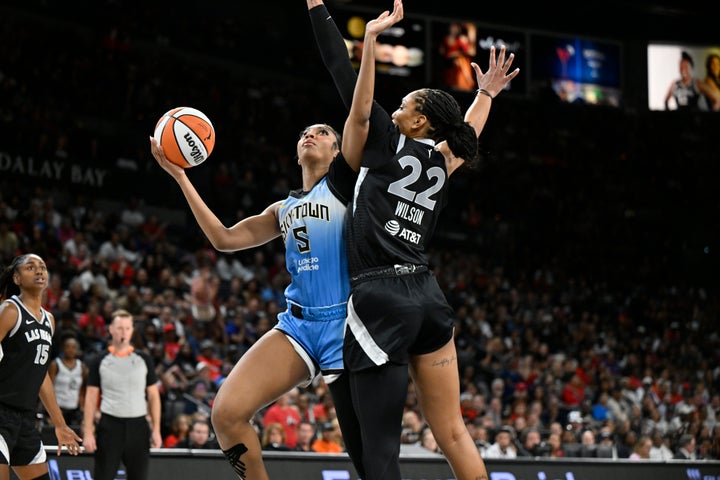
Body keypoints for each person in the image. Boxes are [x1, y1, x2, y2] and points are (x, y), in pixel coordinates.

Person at [149, 46, 361, 480]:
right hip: (299, 326)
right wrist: (180, 176)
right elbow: (224, 239)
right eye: (305, 131)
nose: (310, 135)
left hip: (348, 326)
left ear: (339, 151)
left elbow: (360, 115)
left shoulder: (346, 185)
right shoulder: (281, 208)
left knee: (365, 448)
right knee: (225, 414)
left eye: (321, 132)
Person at [328, 1, 518, 478]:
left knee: (380, 449)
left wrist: (364, 38)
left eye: (406, 103)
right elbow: (468, 130)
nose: (396, 106)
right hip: (428, 299)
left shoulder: (383, 141)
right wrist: (487, 95)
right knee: (453, 431)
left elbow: (343, 73)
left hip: (380, 296)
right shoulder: (440, 161)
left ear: (418, 122)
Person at [0, 253, 83, 480]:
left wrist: (60, 424)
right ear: (16, 279)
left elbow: (41, 375)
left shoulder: (49, 320)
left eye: (43, 267)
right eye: (30, 267)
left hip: (24, 418)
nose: (39, 271)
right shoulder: (9, 311)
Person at [81, 309, 162, 480]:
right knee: (103, 476)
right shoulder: (99, 360)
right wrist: (88, 431)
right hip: (110, 425)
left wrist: (156, 430)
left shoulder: (144, 359)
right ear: (110, 329)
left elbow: (154, 397)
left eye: (127, 328)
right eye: (119, 328)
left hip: (138, 427)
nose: (123, 332)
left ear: (132, 330)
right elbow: (90, 397)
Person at [48, 335, 87, 427]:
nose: (70, 350)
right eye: (68, 347)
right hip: (58, 407)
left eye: (73, 347)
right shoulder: (55, 364)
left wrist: (82, 406)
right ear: (62, 348)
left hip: (74, 408)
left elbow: (82, 389)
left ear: (77, 349)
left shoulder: (82, 366)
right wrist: (52, 408)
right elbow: (49, 387)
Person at [439, 22, 477, 92]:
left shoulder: (462, 39)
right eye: (453, 27)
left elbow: (471, 51)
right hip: (450, 67)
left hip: (461, 67)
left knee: (463, 85)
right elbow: (443, 54)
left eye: (456, 27)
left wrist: (458, 54)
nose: (455, 29)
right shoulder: (446, 39)